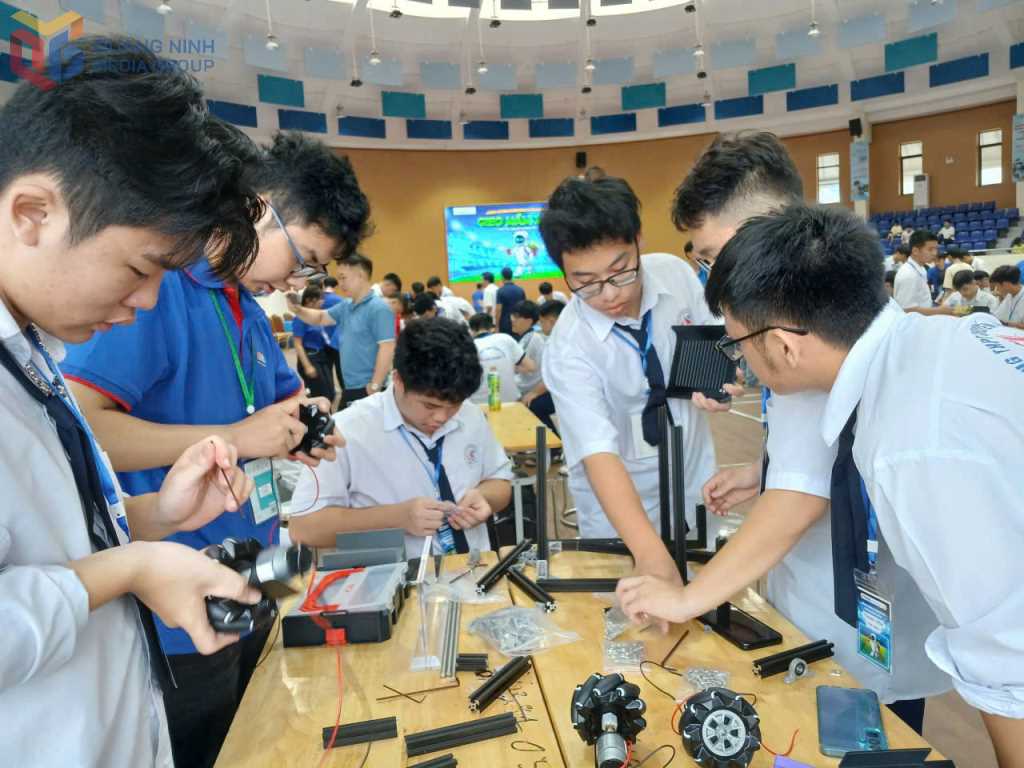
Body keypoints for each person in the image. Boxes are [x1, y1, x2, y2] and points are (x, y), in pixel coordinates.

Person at [619, 205, 1024, 768]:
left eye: (738, 345)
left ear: (784, 345)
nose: (741, 362)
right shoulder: (935, 343)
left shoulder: (908, 446)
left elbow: (1010, 664)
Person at [0, 35, 275, 767]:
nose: (148, 301)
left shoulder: (34, 354)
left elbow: (46, 546)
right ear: (33, 214)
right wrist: (132, 568)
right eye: (139, 268)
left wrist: (155, 516)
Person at [64, 129, 359, 767]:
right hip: (176, 603)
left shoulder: (243, 304)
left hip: (249, 573)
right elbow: (81, 432)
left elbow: (278, 404)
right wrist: (234, 437)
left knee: (252, 739)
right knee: (204, 744)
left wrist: (303, 422)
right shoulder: (158, 291)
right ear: (258, 207)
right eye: (301, 257)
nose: (295, 278)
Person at [668, 131, 947, 732]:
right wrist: (763, 470)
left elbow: (800, 497)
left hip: (856, 613)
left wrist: (691, 596)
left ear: (768, 229)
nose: (713, 279)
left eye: (713, 256)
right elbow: (819, 452)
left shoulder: (803, 329)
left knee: (865, 733)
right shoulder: (807, 314)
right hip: (824, 595)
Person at [539, 173, 722, 599]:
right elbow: (598, 454)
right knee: (631, 617)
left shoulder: (673, 274)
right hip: (620, 515)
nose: (608, 295)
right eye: (585, 282)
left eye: (620, 271)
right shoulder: (569, 348)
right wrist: (651, 556)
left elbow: (711, 333)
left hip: (695, 483)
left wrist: (716, 381)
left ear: (638, 240)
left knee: (706, 608)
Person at [288, 318, 513, 556]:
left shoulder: (471, 415)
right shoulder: (348, 430)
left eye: (454, 405)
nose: (442, 417)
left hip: (475, 569)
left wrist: (485, 498)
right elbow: (303, 529)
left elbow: (500, 482)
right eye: (430, 405)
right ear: (398, 380)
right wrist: (397, 518)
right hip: (394, 575)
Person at [286, 253, 396, 408]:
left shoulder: (379, 308)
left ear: (360, 275)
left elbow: (387, 347)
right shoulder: (346, 305)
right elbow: (320, 318)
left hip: (368, 388)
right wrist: (297, 309)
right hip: (350, 386)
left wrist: (375, 385)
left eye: (343, 278)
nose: (340, 283)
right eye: (339, 278)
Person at [468, 313, 535, 405]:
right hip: (512, 401)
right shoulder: (506, 338)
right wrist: (508, 366)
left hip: (479, 404)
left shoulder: (468, 346)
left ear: (471, 330)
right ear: (492, 328)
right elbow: (530, 367)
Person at [523, 300, 565, 434]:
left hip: (569, 393)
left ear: (552, 321)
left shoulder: (558, 342)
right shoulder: (564, 336)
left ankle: (552, 441)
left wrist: (534, 393)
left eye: (541, 322)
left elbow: (553, 375)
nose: (540, 326)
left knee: (533, 405)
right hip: (565, 388)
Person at [291, 286, 336, 402]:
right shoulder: (300, 318)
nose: (323, 302)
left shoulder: (316, 316)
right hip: (310, 358)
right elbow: (297, 344)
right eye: (320, 299)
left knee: (330, 393)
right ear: (309, 300)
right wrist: (307, 366)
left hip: (322, 356)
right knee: (321, 395)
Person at [893, 230, 949, 314]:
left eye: (936, 249)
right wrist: (940, 311)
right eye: (930, 249)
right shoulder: (908, 275)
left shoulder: (921, 268)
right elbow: (906, 310)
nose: (935, 253)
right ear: (915, 251)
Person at [509, 300, 544, 401]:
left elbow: (526, 368)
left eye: (516, 316)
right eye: (512, 315)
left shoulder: (532, 339)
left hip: (528, 389)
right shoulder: (528, 337)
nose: (512, 319)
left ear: (529, 321)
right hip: (525, 385)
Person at [321, 276, 344, 395]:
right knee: (340, 368)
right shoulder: (341, 300)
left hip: (321, 340)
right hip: (337, 341)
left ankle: (330, 391)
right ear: (336, 286)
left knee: (326, 369)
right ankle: (344, 391)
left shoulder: (318, 299)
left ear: (324, 285)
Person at [495, 266, 527, 336]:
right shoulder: (520, 290)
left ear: (502, 277)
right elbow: (525, 307)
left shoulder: (500, 291)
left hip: (505, 324)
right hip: (518, 322)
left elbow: (498, 310)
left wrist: (496, 326)